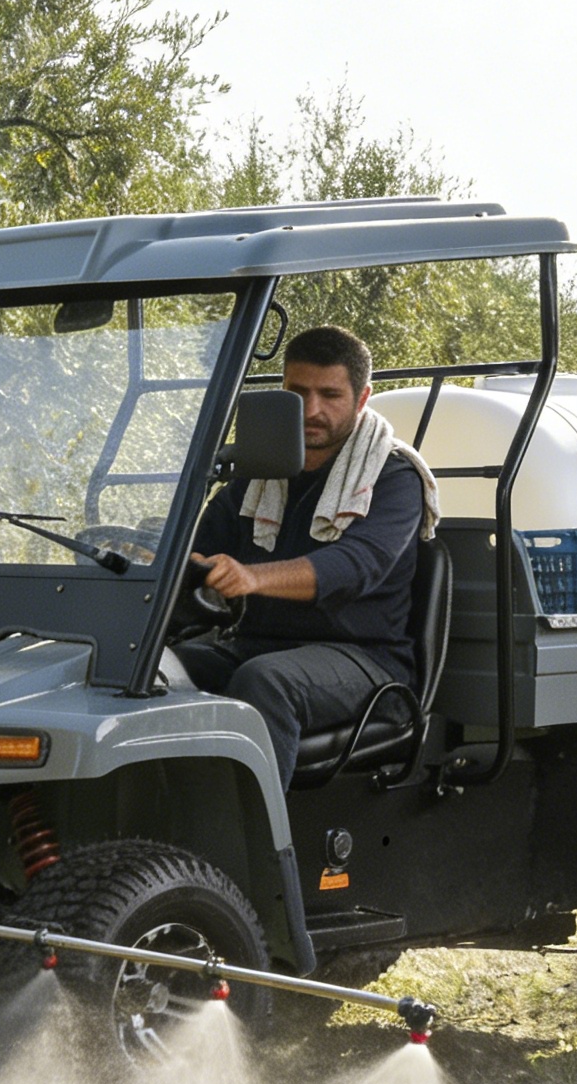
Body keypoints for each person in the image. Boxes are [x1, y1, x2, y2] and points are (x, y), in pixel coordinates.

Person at [174, 325, 439, 784]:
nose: (312, 410)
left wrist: (254, 577)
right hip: (253, 645)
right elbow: (199, 549)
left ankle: (251, 830)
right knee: (156, 668)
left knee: (265, 681)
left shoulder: (394, 477)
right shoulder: (256, 474)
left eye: (330, 395)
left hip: (366, 660)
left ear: (361, 398)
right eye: (298, 393)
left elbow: (357, 567)